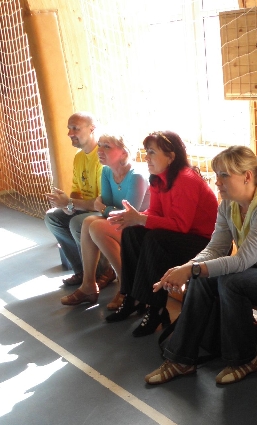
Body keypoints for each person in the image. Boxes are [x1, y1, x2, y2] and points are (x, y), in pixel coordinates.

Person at [145, 145, 257, 385]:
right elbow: (216, 248)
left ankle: (244, 360)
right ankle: (181, 359)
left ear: (247, 176)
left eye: (224, 175)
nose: (217, 182)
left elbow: (242, 260)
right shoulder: (229, 204)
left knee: (230, 281)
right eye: (217, 175)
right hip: (256, 271)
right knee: (204, 278)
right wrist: (187, 268)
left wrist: (191, 270)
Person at [105, 131, 218, 337]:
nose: (146, 157)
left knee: (154, 239)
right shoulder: (158, 178)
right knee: (132, 232)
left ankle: (156, 308)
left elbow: (181, 226)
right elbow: (155, 213)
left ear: (171, 157)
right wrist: (135, 217)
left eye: (152, 152)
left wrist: (141, 218)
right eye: (146, 152)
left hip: (205, 243)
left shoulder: (186, 179)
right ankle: (131, 297)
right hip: (180, 236)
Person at [60, 133, 149, 306]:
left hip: (138, 227)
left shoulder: (137, 176)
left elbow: (127, 215)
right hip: (120, 222)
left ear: (124, 153)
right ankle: (88, 285)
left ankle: (127, 287)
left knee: (96, 227)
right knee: (88, 222)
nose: (99, 150)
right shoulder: (107, 171)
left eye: (107, 146)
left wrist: (102, 208)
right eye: (99, 145)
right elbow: (106, 208)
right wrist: (103, 208)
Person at [44, 112, 113, 288]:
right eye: (69, 128)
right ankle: (82, 270)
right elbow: (76, 192)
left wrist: (70, 203)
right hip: (87, 209)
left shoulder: (102, 157)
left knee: (78, 222)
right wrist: (67, 206)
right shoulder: (79, 157)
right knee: (53, 217)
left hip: (106, 210)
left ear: (92, 129)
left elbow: (101, 203)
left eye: (75, 128)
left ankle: (103, 272)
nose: (70, 133)